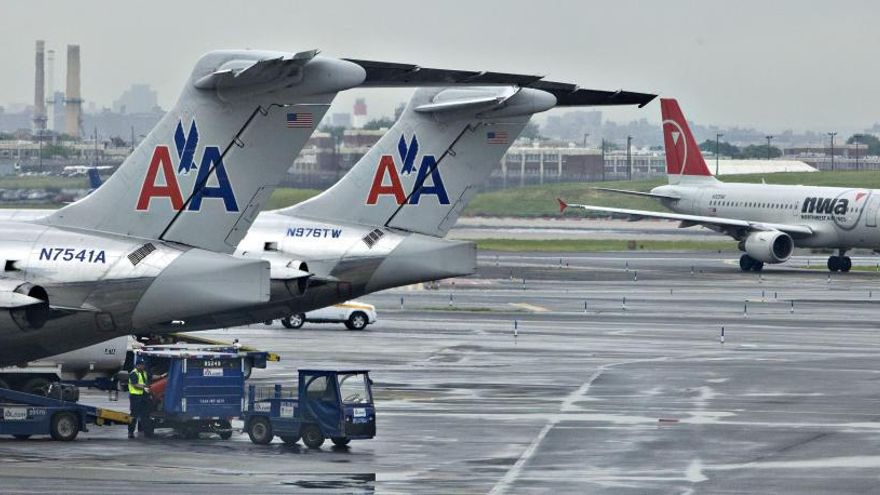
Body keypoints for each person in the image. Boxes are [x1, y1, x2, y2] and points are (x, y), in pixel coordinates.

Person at [128, 359, 153, 438]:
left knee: (145, 415)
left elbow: (151, 377)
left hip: (144, 397)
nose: (143, 366)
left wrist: (162, 376)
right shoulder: (133, 373)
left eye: (144, 365)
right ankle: (130, 432)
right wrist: (144, 387)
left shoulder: (144, 372)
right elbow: (135, 384)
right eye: (142, 365)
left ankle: (148, 433)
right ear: (137, 365)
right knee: (133, 415)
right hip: (135, 397)